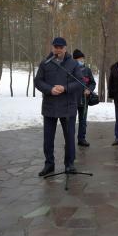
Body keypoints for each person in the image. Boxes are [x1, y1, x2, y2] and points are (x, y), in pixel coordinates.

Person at [35, 37, 83, 176]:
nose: (58, 49)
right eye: (56, 47)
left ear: (65, 48)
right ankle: (49, 164)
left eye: (61, 47)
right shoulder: (45, 63)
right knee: (48, 138)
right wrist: (50, 89)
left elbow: (80, 82)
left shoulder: (73, 64)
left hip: (68, 107)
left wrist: (65, 88)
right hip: (50, 106)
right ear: (52, 48)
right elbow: (38, 81)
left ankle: (69, 164)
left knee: (69, 137)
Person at [72, 49, 96, 147]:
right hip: (73, 100)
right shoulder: (70, 70)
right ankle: (69, 141)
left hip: (84, 100)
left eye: (82, 58)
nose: (82, 60)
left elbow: (92, 83)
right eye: (79, 59)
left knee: (83, 121)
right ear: (75, 60)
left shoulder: (87, 70)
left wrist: (89, 90)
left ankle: (82, 139)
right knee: (70, 122)